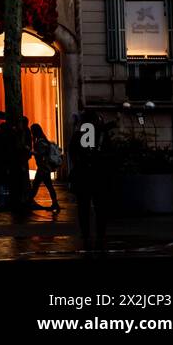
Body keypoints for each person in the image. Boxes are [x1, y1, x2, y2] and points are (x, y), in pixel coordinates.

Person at [68, 109, 113, 255]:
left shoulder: (79, 133)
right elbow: (110, 152)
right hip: (99, 176)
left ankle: (86, 234)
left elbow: (72, 152)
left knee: (83, 207)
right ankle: (100, 234)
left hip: (82, 176)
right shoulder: (101, 133)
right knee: (101, 207)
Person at [29, 122, 60, 212]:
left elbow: (42, 153)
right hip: (43, 168)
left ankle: (55, 203)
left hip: (43, 168)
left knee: (42, 185)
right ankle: (55, 203)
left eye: (32, 131)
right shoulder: (42, 139)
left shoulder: (40, 141)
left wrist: (32, 152)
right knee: (39, 185)